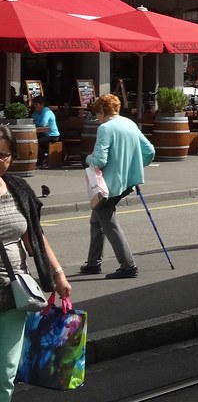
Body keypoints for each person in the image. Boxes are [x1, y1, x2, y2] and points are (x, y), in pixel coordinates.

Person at [0, 123, 71, 402]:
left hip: (12, 294)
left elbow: (36, 239)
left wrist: (58, 274)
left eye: (4, 155)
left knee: (5, 371)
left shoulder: (18, 188)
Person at [81, 93, 155, 279]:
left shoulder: (106, 128)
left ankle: (128, 266)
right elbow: (149, 151)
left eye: (97, 113)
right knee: (97, 219)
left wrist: (87, 158)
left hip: (108, 185)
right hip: (127, 181)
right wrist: (135, 166)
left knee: (107, 220)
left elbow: (99, 160)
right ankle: (93, 263)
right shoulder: (129, 123)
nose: (96, 118)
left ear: (103, 111)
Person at [30, 96, 59, 170]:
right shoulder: (36, 112)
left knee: (37, 143)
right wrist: (37, 123)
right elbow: (33, 121)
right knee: (32, 141)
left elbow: (43, 123)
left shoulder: (47, 111)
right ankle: (39, 159)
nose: (34, 106)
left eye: (36, 104)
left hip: (52, 135)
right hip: (42, 133)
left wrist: (36, 123)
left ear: (42, 104)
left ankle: (42, 160)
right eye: (34, 104)